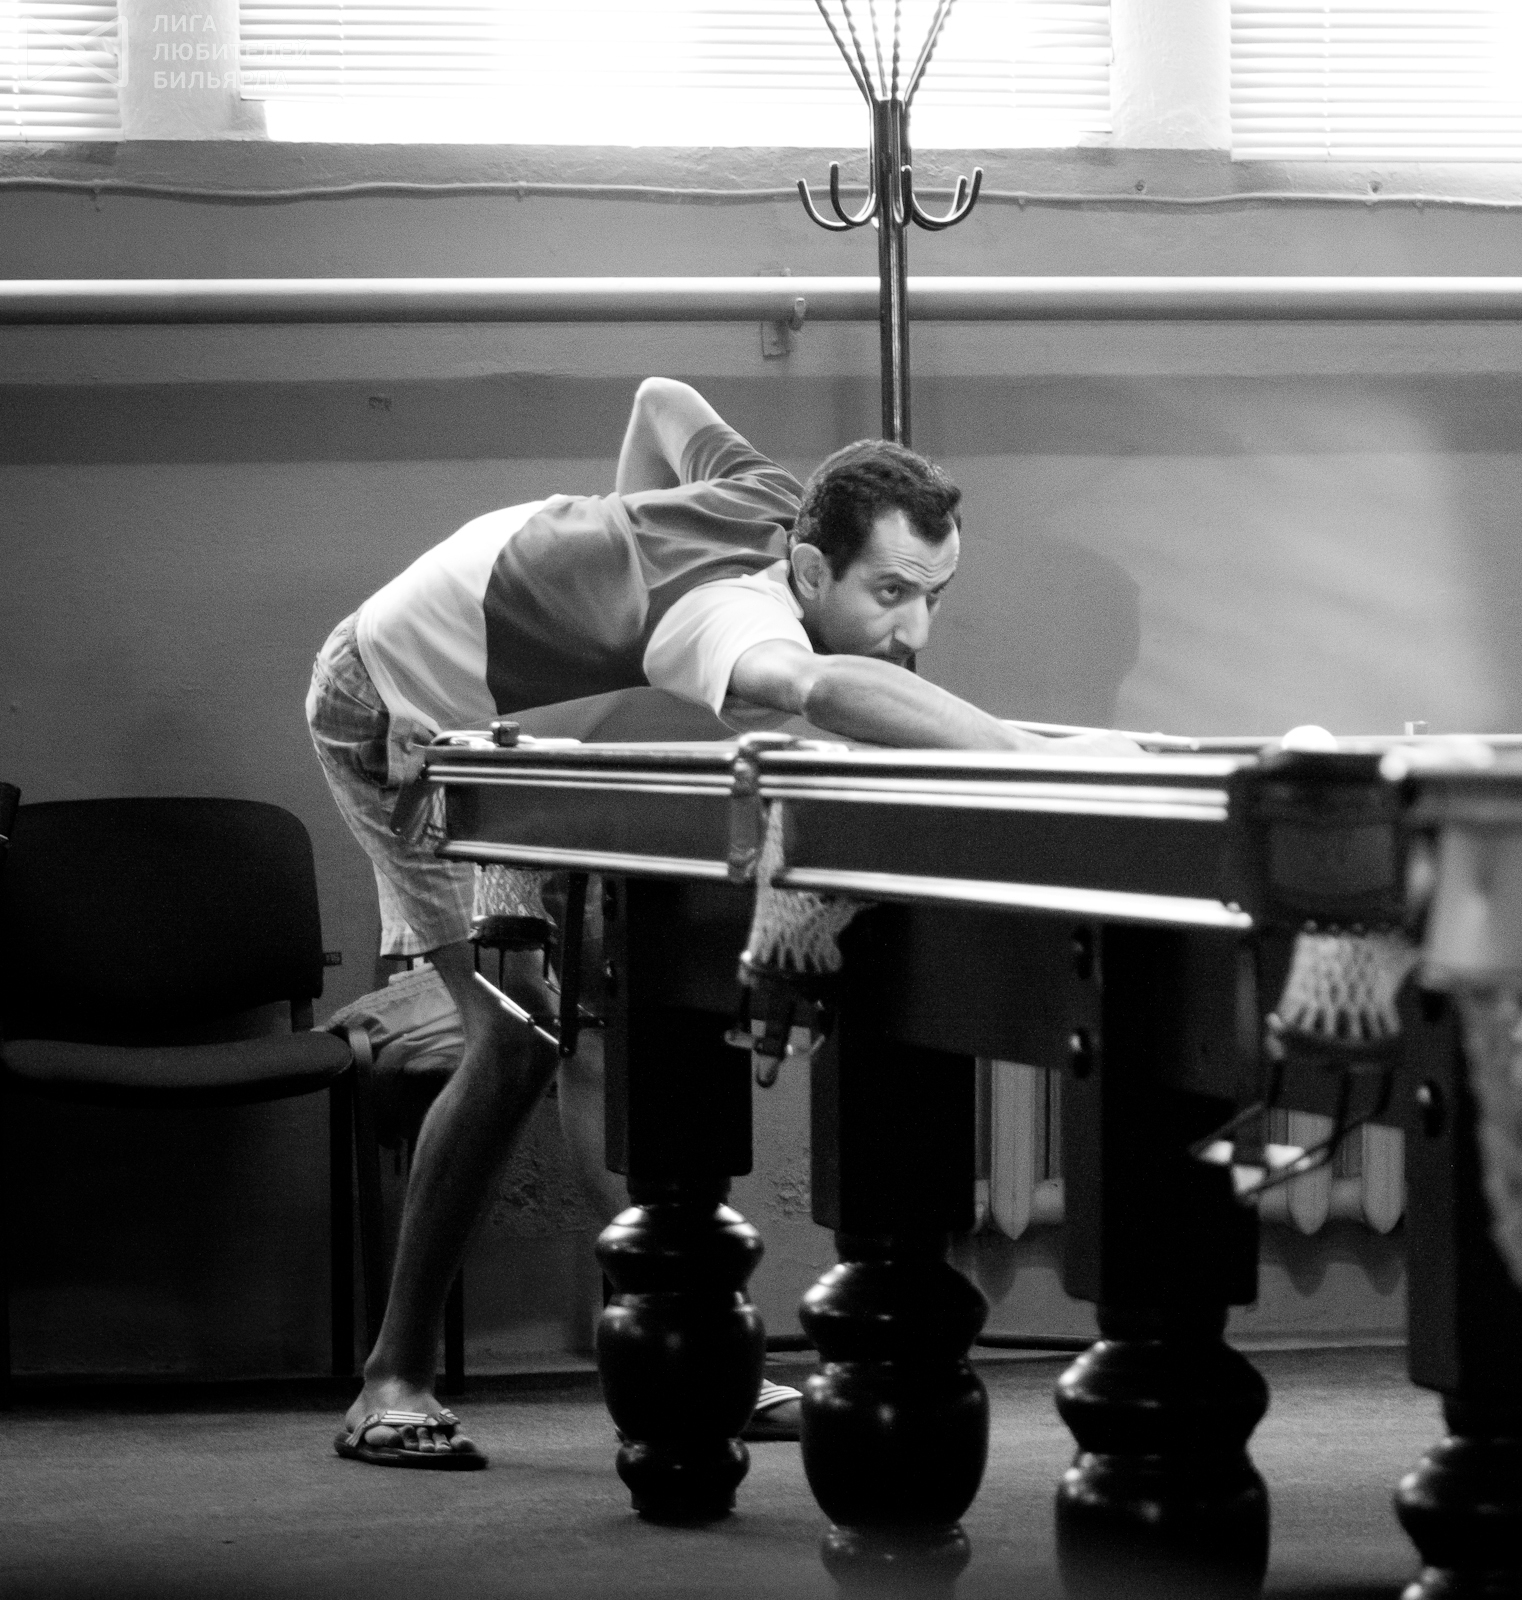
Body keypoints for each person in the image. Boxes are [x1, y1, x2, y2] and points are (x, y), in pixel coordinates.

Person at [308, 377, 1139, 1468]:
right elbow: (821, 691)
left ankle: (699, 1355)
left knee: (600, 1032)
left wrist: (624, 537)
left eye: (934, 595)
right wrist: (1032, 762)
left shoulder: (765, 492)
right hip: (389, 708)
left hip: (509, 720)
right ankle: (392, 1377)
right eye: (891, 592)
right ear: (810, 567)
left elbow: (660, 401)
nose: (913, 629)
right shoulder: (726, 619)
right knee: (515, 1040)